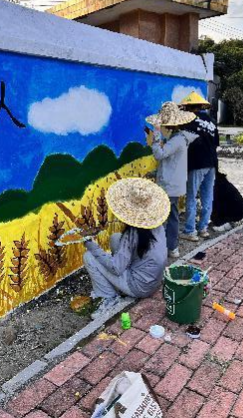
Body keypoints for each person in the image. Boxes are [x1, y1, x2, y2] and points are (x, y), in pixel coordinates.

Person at [83, 178, 170, 319]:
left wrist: (90, 243)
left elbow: (115, 268)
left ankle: (109, 299)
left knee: (89, 257)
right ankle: (119, 286)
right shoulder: (156, 225)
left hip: (138, 287)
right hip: (154, 281)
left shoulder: (132, 234)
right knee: (115, 237)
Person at [146, 102, 198, 258]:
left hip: (170, 187)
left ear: (167, 126)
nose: (160, 128)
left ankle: (165, 249)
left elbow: (160, 155)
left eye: (161, 126)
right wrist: (156, 172)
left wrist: (154, 138)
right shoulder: (179, 138)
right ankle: (171, 248)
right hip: (174, 185)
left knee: (164, 218)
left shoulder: (176, 140)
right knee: (172, 217)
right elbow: (172, 163)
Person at [179, 91, 220, 242]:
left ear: (189, 107)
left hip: (197, 163)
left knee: (191, 196)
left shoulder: (189, 121)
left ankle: (190, 231)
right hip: (211, 163)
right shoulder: (211, 121)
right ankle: (202, 228)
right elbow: (215, 143)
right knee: (207, 197)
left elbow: (183, 143)